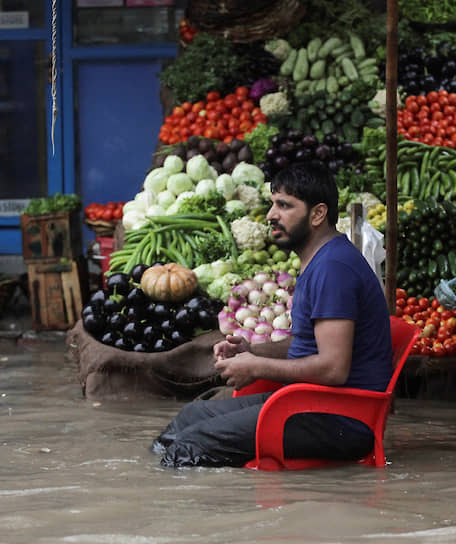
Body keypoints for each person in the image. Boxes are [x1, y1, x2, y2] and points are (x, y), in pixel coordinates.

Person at [152, 162, 393, 467]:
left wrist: (258, 366)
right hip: (308, 401)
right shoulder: (319, 259)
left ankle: (202, 510)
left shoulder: (334, 269)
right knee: (190, 419)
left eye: (284, 205)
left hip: (341, 418)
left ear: (317, 214)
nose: (270, 215)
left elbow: (334, 369)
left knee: (192, 446)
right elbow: (308, 343)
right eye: (271, 204)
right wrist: (250, 350)